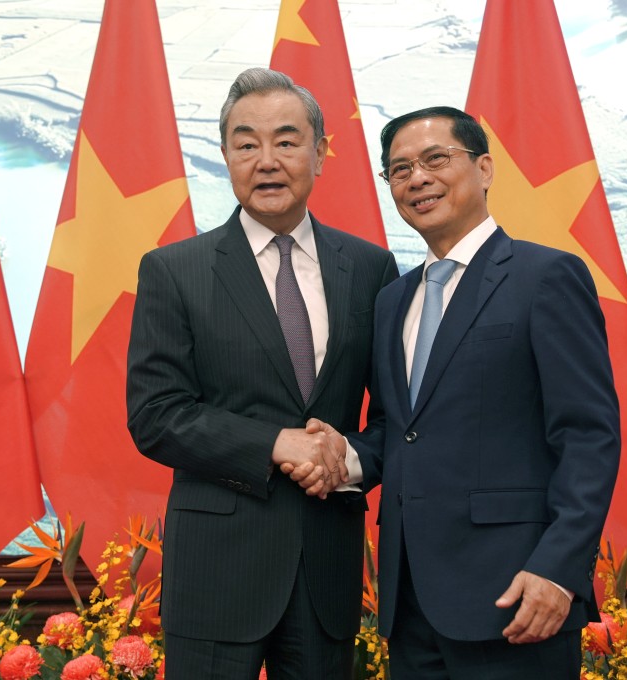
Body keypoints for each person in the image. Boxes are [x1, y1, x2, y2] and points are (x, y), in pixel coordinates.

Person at [299, 106, 621, 679]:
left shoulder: (546, 277)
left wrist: (558, 569)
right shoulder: (392, 299)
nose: (417, 178)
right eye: (398, 170)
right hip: (411, 604)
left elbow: (588, 436)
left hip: (518, 595)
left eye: (435, 159)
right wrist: (341, 456)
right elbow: (400, 431)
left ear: (485, 168)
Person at [125, 67, 398, 680]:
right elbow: (155, 416)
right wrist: (278, 444)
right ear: (225, 156)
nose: (266, 160)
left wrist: (343, 459)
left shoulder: (370, 268)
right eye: (246, 144)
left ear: (321, 153)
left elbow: (394, 420)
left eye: (287, 140)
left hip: (326, 569)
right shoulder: (175, 271)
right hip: (217, 572)